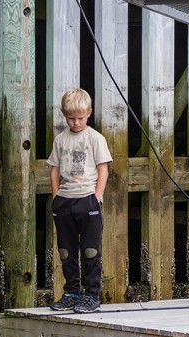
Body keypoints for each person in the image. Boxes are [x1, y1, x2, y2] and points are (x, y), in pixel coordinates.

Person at [47, 88, 112, 313]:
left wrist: (97, 197)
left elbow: (103, 169)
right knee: (66, 250)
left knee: (90, 250)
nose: (76, 123)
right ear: (64, 115)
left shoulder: (95, 138)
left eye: (81, 118)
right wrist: (56, 197)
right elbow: (54, 170)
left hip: (88, 200)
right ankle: (72, 292)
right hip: (65, 201)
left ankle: (92, 294)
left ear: (89, 113)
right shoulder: (60, 139)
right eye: (71, 118)